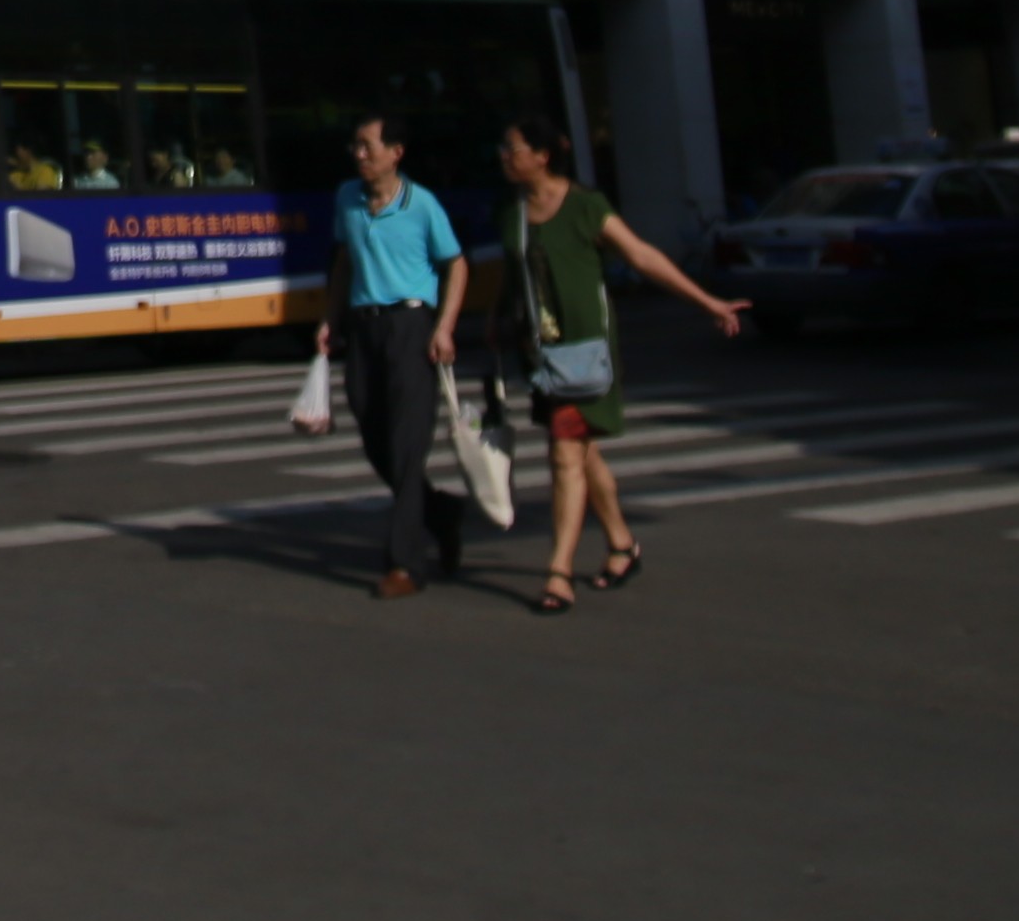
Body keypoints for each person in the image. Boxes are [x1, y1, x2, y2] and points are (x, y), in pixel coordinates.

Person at [494, 116, 750, 615]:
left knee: (565, 453)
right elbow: (515, 276)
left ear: (542, 155)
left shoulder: (586, 206)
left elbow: (642, 256)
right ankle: (621, 544)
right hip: (542, 354)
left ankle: (559, 573)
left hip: (586, 354)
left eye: (512, 148)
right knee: (583, 452)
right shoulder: (512, 213)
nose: (504, 156)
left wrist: (707, 303)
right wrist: (498, 323)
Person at [298, 112, 471, 598]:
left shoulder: (423, 206)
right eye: (355, 146)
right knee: (375, 438)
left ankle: (405, 565)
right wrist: (330, 318)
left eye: (368, 146)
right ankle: (442, 512)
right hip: (363, 328)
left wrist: (445, 328)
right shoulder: (347, 198)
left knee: (407, 446)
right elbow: (345, 260)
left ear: (396, 153)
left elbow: (455, 265)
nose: (359, 155)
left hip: (411, 328)